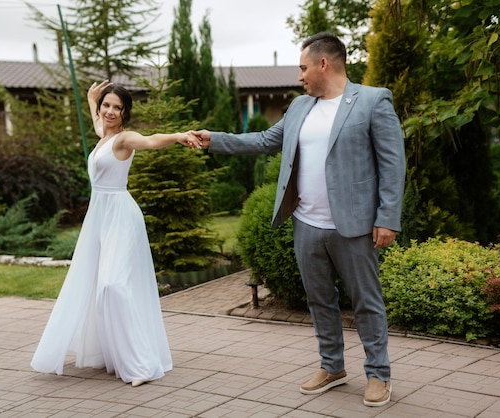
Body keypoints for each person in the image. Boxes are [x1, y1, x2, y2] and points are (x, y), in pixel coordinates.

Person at [191, 32, 406, 407]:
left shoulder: (373, 101)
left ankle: (378, 374)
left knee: (365, 301)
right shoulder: (299, 107)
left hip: (353, 225)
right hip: (306, 223)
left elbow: (392, 164)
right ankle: (332, 366)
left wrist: (387, 218)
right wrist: (215, 139)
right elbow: (262, 141)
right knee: (319, 299)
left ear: (324, 63)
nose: (300, 75)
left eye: (303, 67)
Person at [31, 80, 201, 387]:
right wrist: (90, 99)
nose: (110, 112)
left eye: (117, 108)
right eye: (106, 106)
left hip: (121, 217)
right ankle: (114, 354)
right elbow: (99, 125)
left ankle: (139, 366)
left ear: (124, 113)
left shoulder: (124, 140)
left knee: (112, 286)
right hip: (100, 218)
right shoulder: (103, 137)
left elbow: (150, 140)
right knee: (94, 283)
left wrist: (178, 136)